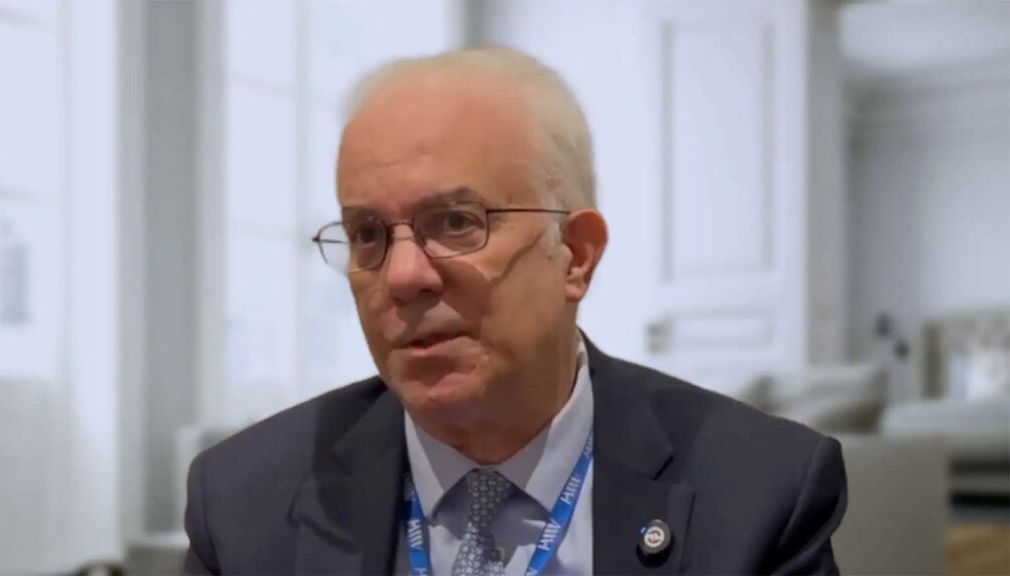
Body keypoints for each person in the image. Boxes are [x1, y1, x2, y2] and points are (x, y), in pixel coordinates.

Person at [184, 46, 847, 575]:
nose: (403, 276)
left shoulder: (760, 492)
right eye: (366, 234)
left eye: (456, 221)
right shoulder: (244, 503)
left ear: (576, 255)